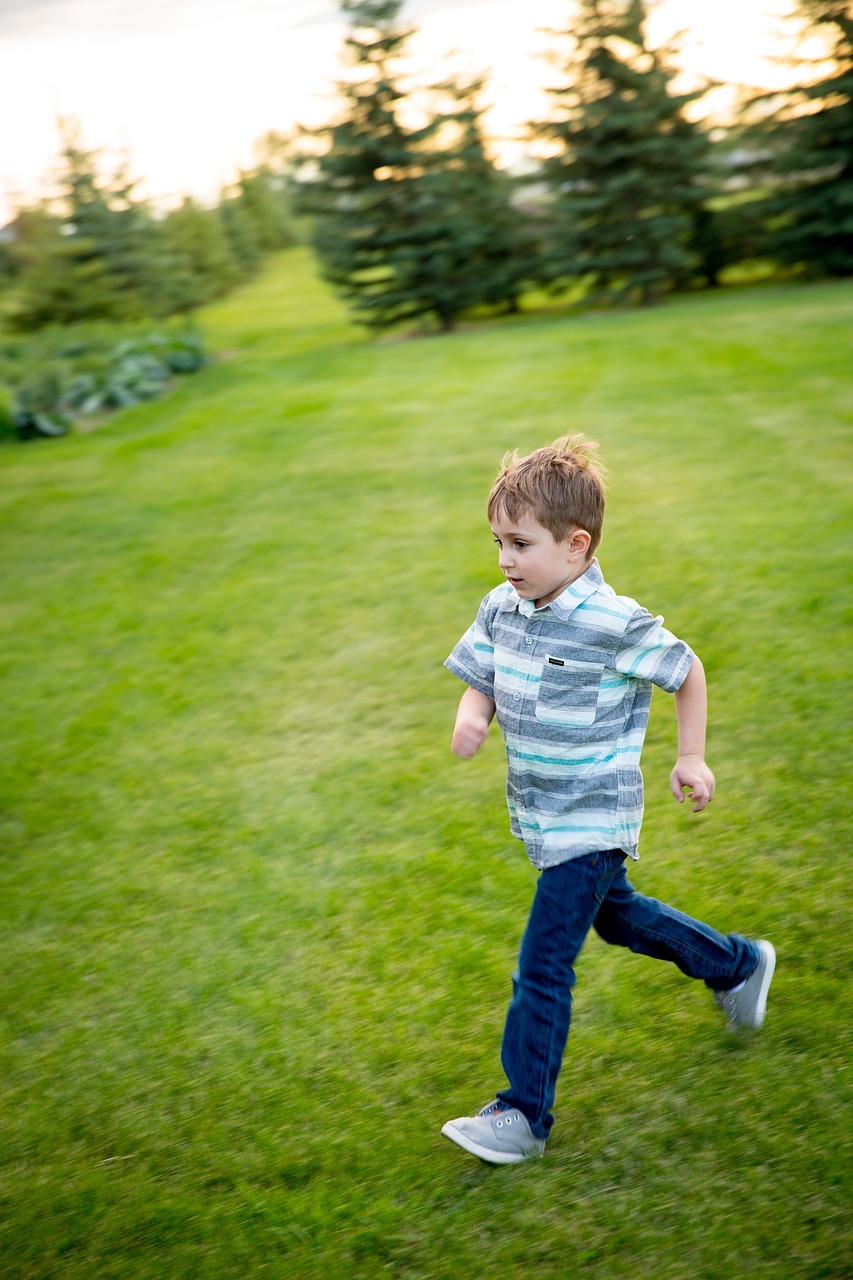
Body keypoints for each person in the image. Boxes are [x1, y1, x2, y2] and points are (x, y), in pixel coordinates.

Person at [440, 435, 775, 1166]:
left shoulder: (612, 623)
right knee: (618, 919)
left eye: (519, 544)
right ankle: (737, 965)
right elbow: (482, 671)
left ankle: (521, 1113)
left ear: (576, 545)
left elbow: (685, 671)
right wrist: (474, 710)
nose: (503, 559)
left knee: (542, 964)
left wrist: (690, 756)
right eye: (497, 541)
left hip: (591, 817)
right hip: (542, 807)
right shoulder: (503, 606)